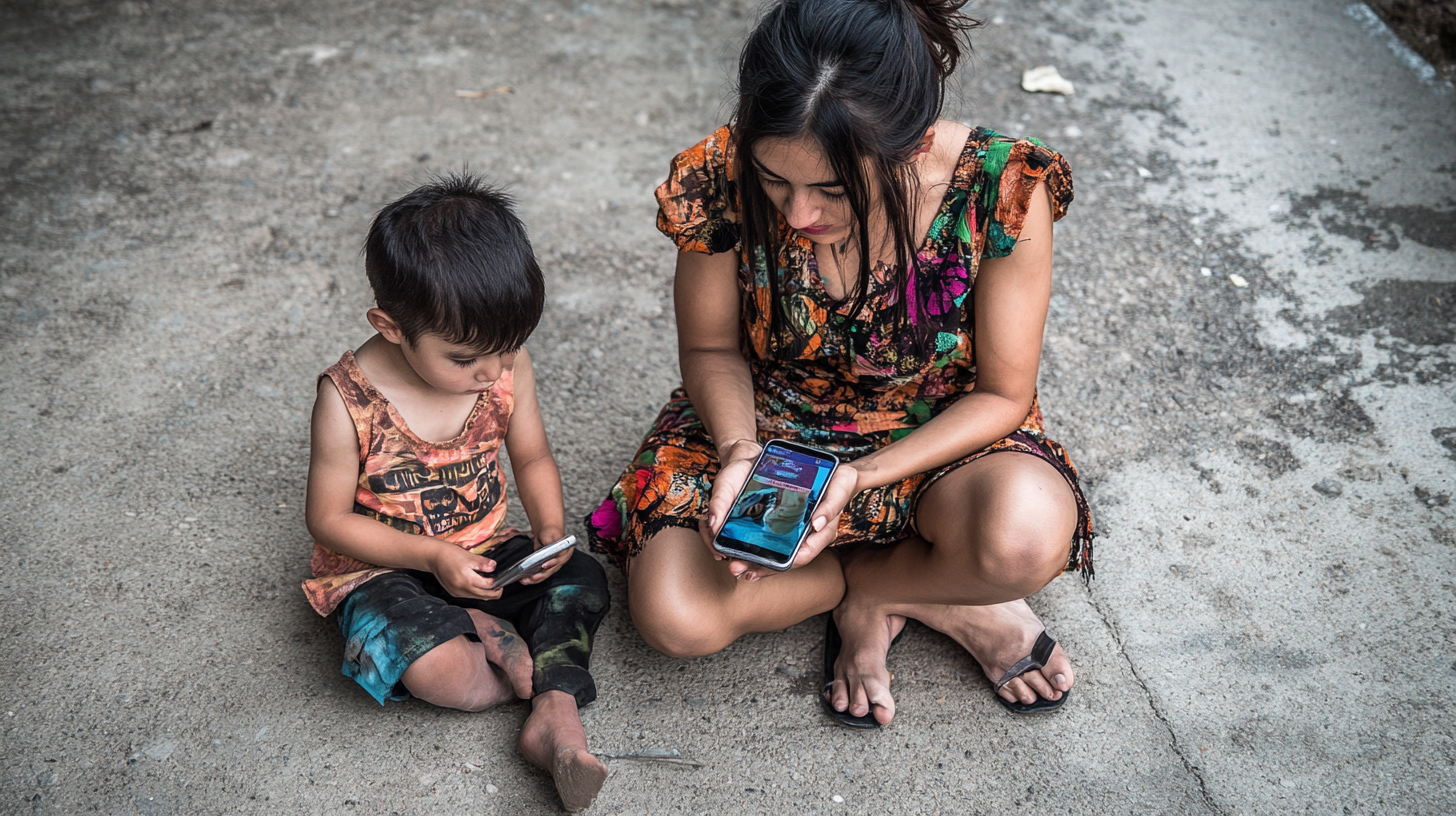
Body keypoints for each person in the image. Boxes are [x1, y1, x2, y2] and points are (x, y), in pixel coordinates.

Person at [586, 0, 1093, 726]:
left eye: (831, 191)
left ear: (913, 146)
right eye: (774, 180)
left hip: (933, 438)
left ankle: (884, 590)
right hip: (764, 430)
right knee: (676, 616)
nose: (796, 215)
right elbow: (709, 349)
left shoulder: (1001, 187)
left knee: (1024, 537)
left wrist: (859, 477)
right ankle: (894, 584)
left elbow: (1002, 396)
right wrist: (738, 449)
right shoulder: (717, 171)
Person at [302, 173, 610, 811]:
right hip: (382, 568)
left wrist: (549, 532)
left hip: (486, 546)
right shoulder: (347, 400)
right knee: (433, 670)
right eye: (467, 359)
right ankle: (496, 650)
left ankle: (554, 716)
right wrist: (435, 559)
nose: (492, 372)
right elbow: (328, 520)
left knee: (581, 576)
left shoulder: (502, 363)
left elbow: (531, 454)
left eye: (507, 350)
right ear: (390, 327)